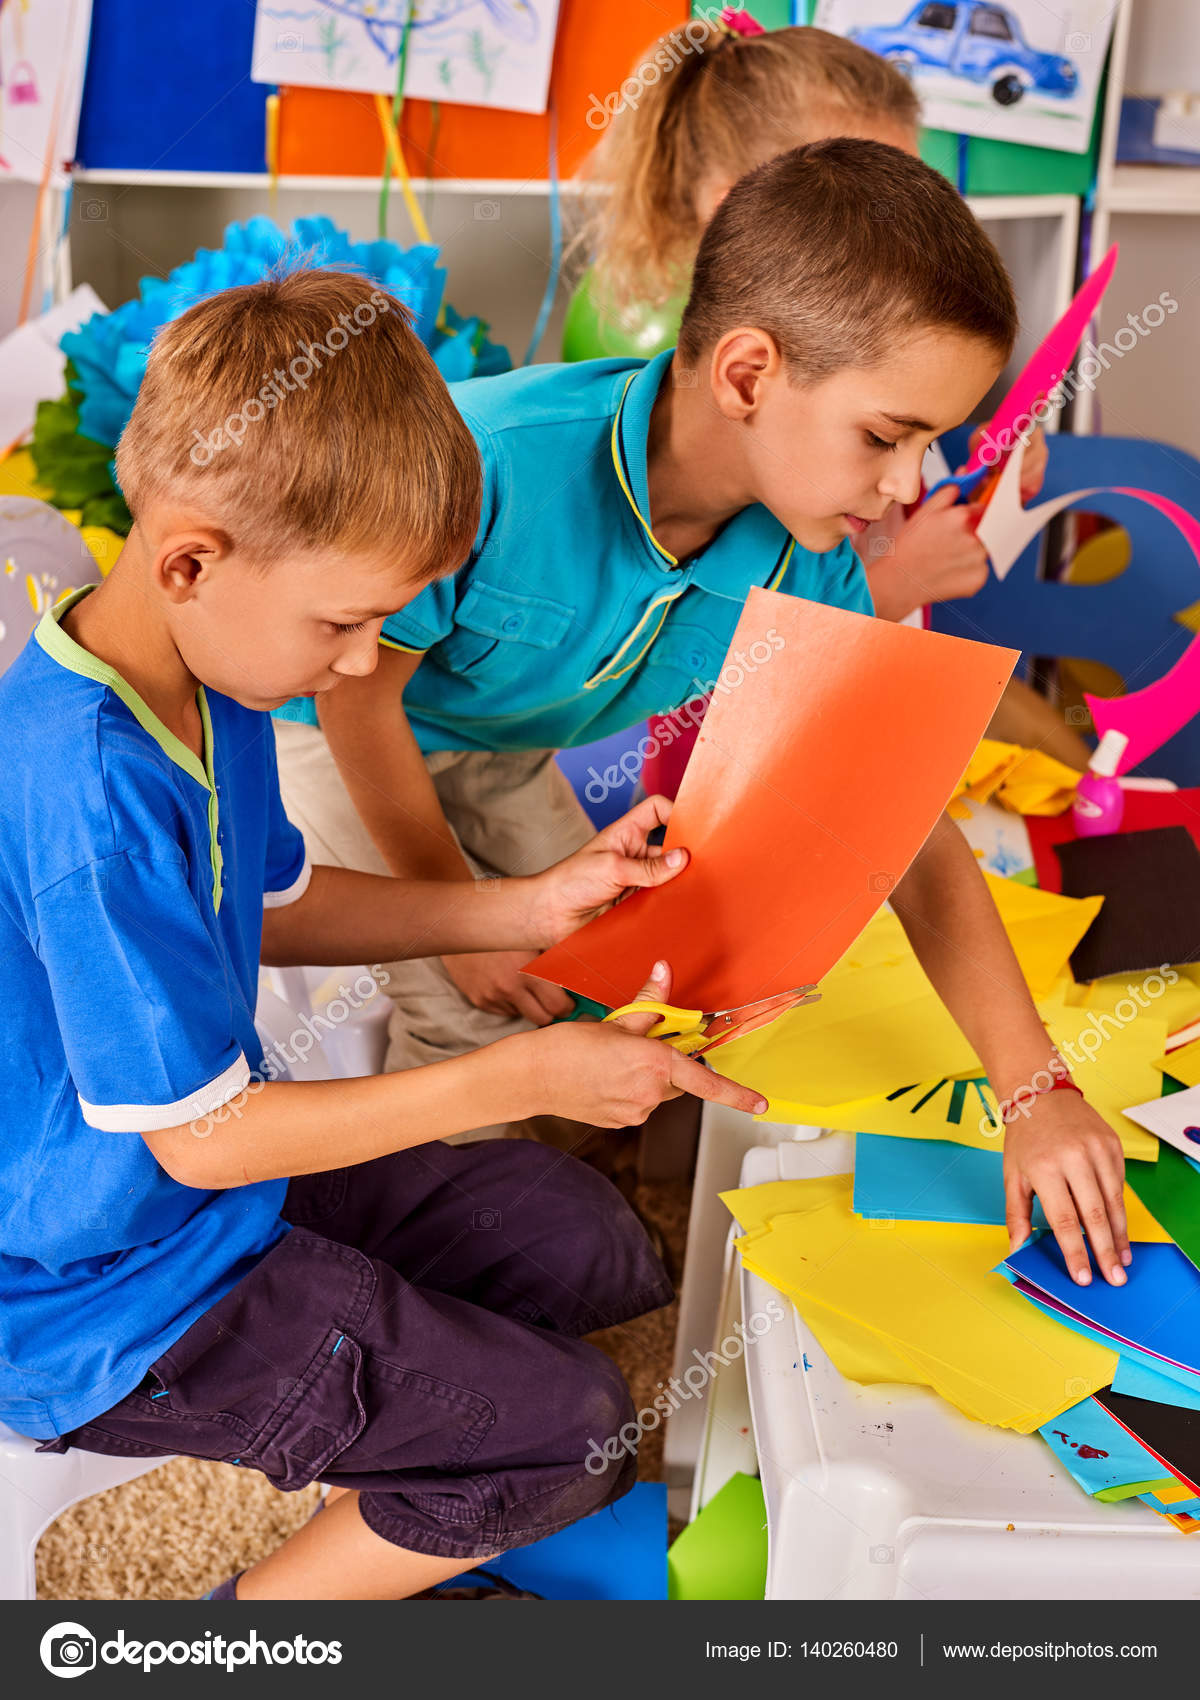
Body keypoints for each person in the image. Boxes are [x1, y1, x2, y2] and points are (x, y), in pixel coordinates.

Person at [0, 267, 766, 1601]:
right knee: (577, 1426)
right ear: (190, 559)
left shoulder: (207, 666)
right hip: (100, 1301)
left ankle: (418, 1451)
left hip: (211, 1211)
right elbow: (200, 1136)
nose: (364, 668)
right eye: (346, 623)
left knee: (577, 1238)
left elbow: (283, 903)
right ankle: (247, 1631)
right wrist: (521, 1077)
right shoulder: (89, 787)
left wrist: (523, 906)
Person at [279, 140, 1133, 1286]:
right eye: (885, 436)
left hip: (494, 744)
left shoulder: (807, 555)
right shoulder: (493, 460)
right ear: (746, 376)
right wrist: (463, 915)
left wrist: (1039, 1087)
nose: (905, 488)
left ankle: (559, 1163)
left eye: (928, 442)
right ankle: (431, 1295)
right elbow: (361, 693)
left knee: (602, 963)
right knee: (473, 999)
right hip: (318, 722)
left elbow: (906, 834)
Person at [566, 12, 1086, 768]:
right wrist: (895, 580)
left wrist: (973, 468)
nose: (903, 226)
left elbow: (873, 470)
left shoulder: (860, 338)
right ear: (735, 203)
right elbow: (709, 652)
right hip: (709, 745)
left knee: (1054, 758)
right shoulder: (665, 357)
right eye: (856, 189)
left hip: (857, 672)